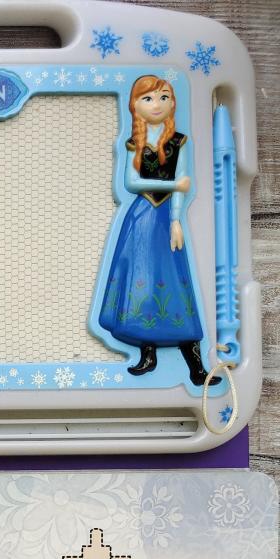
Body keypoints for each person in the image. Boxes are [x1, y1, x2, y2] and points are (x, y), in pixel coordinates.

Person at [97, 74, 218, 386]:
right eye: (148, 98)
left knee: (175, 282)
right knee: (141, 278)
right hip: (141, 218)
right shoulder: (134, 143)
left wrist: (176, 219)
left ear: (173, 103)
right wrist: (174, 184)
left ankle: (196, 366)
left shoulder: (179, 142)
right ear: (135, 105)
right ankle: (147, 354)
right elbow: (131, 182)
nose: (157, 104)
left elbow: (183, 183)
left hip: (165, 219)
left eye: (164, 97)